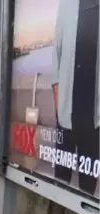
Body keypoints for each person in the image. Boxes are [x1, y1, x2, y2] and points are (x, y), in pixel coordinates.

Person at [52, 0, 100, 196]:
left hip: (94, 116)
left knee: (88, 182)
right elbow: (56, 55)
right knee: (60, 178)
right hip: (66, 112)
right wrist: (58, 105)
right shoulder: (66, 4)